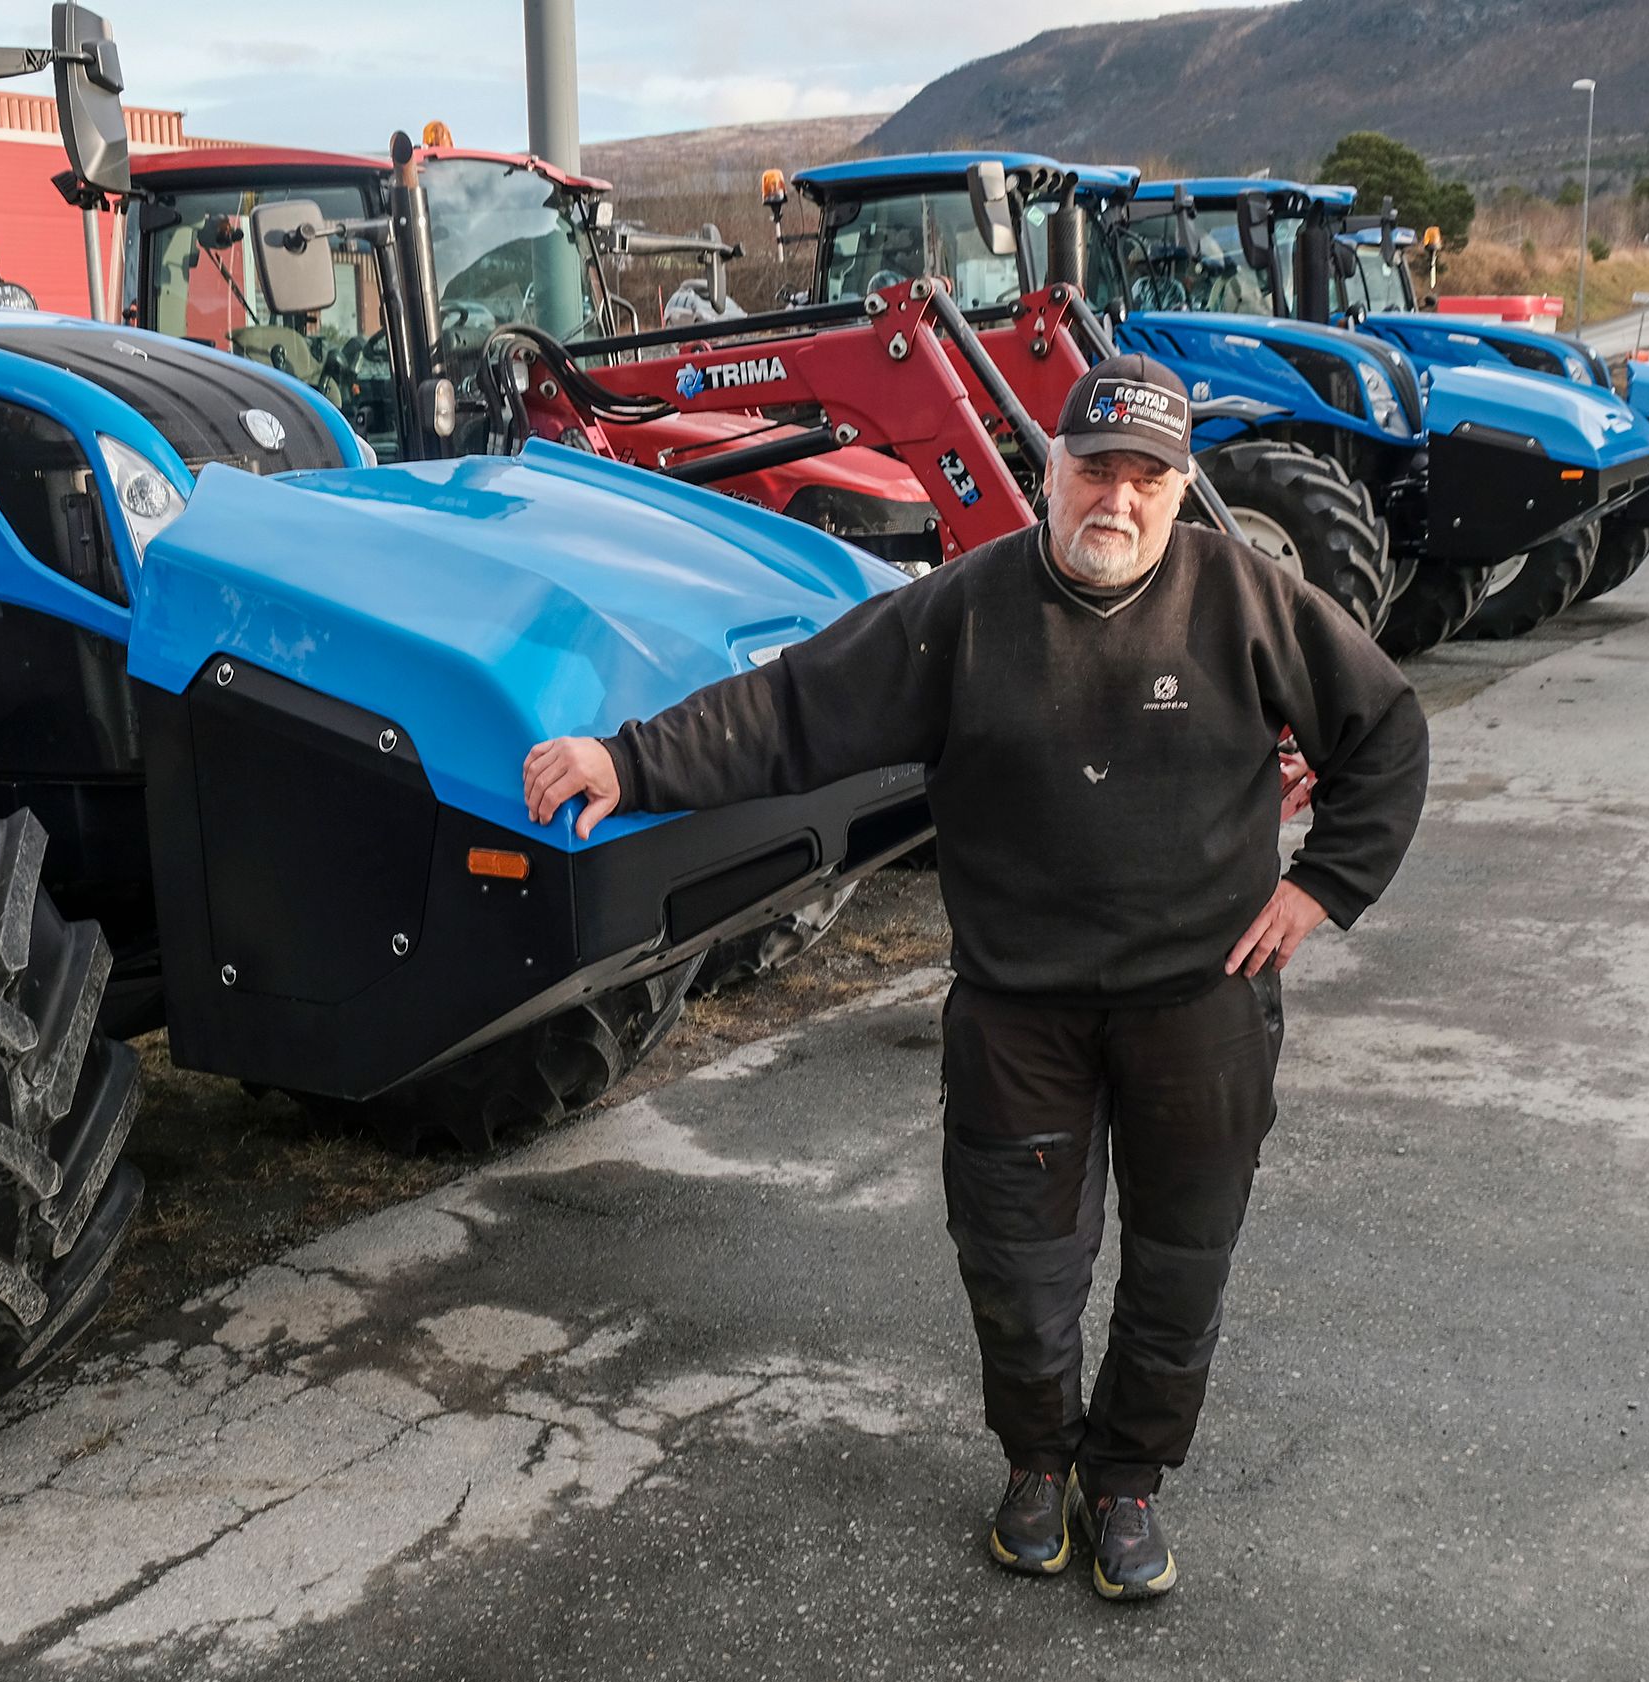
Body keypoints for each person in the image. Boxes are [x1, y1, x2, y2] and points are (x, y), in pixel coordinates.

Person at [522, 354, 1429, 1602]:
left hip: (1201, 1006)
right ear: (1050, 470)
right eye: (1095, 470)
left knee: (1181, 1262)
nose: (1117, 500)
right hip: (1019, 1010)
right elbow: (793, 709)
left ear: (1180, 490)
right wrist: (627, 763)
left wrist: (1324, 886)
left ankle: (1127, 1481)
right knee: (1017, 1267)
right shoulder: (963, 610)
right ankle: (1038, 1464)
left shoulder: (1244, 598)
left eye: (1146, 479)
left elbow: (1385, 731)